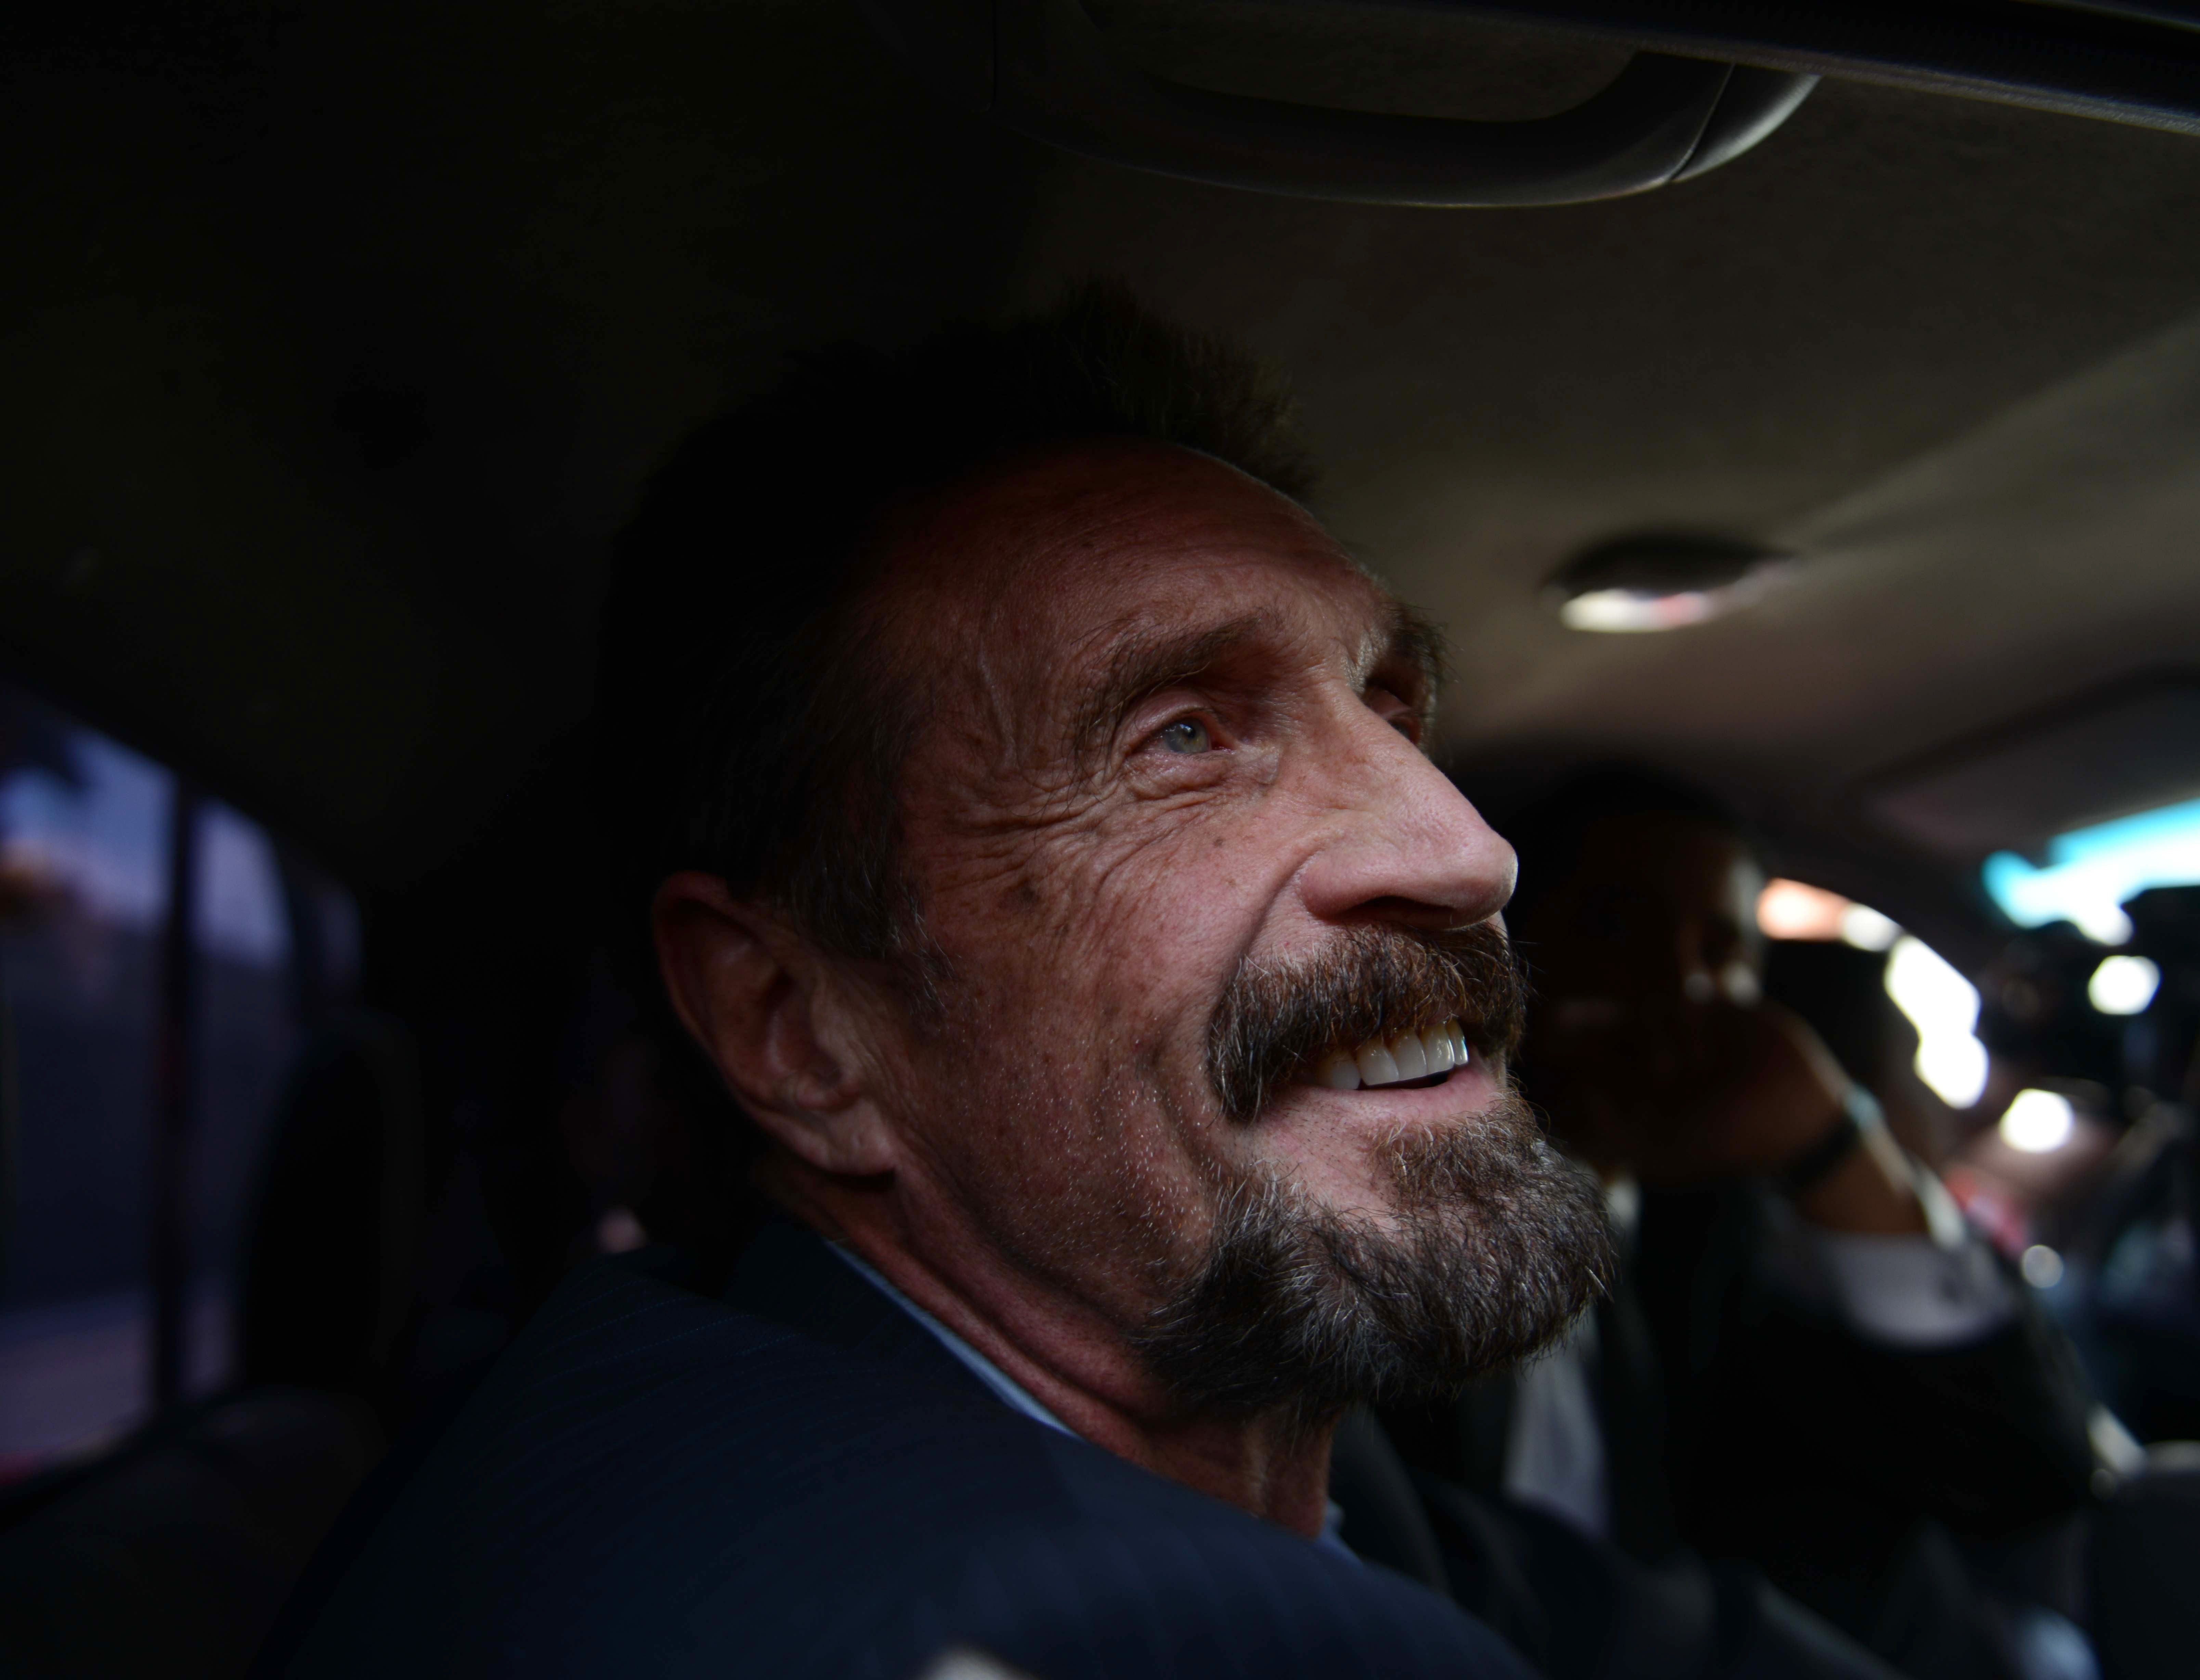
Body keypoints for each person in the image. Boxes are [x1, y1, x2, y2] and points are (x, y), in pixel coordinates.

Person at [271, 289, 1898, 1679]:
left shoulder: (1205, 1433)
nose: (1465, 847)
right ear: (800, 1029)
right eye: (1180, 736)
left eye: (1390, 709)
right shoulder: (1038, 1622)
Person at [1382, 770, 2097, 1680]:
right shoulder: (1373, 1222)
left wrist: (1840, 1153)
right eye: (1612, 930)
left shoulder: (1704, 1243)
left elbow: (2019, 1478)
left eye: (1721, 948)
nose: (1679, 986)